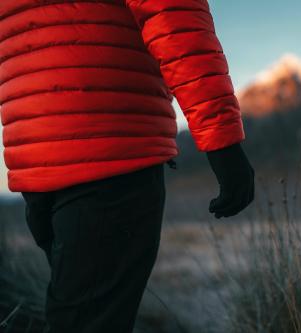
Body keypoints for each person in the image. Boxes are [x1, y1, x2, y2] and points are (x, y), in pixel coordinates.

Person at [0, 0, 254, 332]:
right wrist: (222, 140)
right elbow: (172, 15)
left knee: (74, 313)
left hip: (33, 158)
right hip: (113, 150)